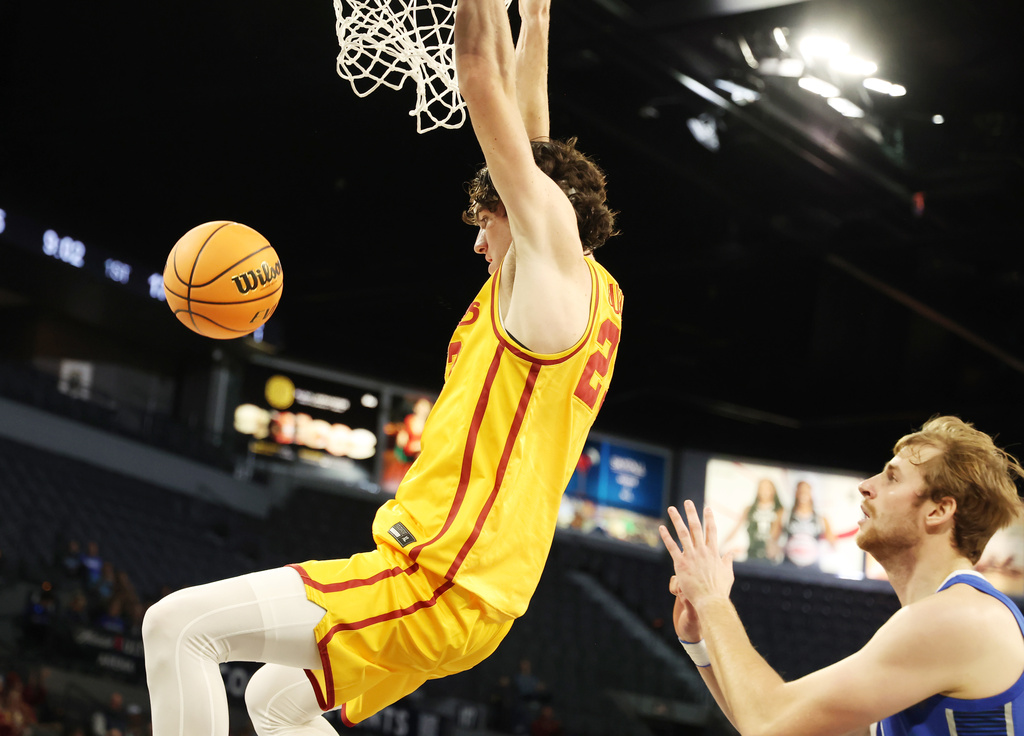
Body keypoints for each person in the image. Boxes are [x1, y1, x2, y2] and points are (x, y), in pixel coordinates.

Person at [141, 1, 622, 734]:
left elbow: (480, 77)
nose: (478, 243)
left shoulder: (549, 271)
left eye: (486, 221)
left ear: (536, 212)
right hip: (470, 591)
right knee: (275, 699)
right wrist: (539, 24)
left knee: (176, 628)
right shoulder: (579, 290)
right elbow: (535, 143)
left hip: (441, 579)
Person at [660, 416, 1024, 736]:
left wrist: (712, 599)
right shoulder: (940, 625)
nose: (867, 484)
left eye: (892, 477)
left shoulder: (959, 619)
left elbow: (769, 722)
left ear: (939, 510)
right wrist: (701, 644)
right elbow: (786, 727)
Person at [720, 478, 784, 563]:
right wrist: (722, 545)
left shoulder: (779, 510)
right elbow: (736, 528)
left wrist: (773, 548)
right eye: (762, 488)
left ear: (773, 490)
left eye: (768, 488)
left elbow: (779, 532)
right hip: (752, 553)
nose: (764, 491)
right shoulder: (749, 509)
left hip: (770, 555)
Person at [781, 479, 837, 568]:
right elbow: (772, 540)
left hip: (812, 569)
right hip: (788, 566)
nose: (803, 493)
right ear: (796, 492)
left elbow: (833, 543)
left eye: (806, 490)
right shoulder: (785, 514)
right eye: (801, 490)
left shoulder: (821, 518)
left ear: (811, 493)